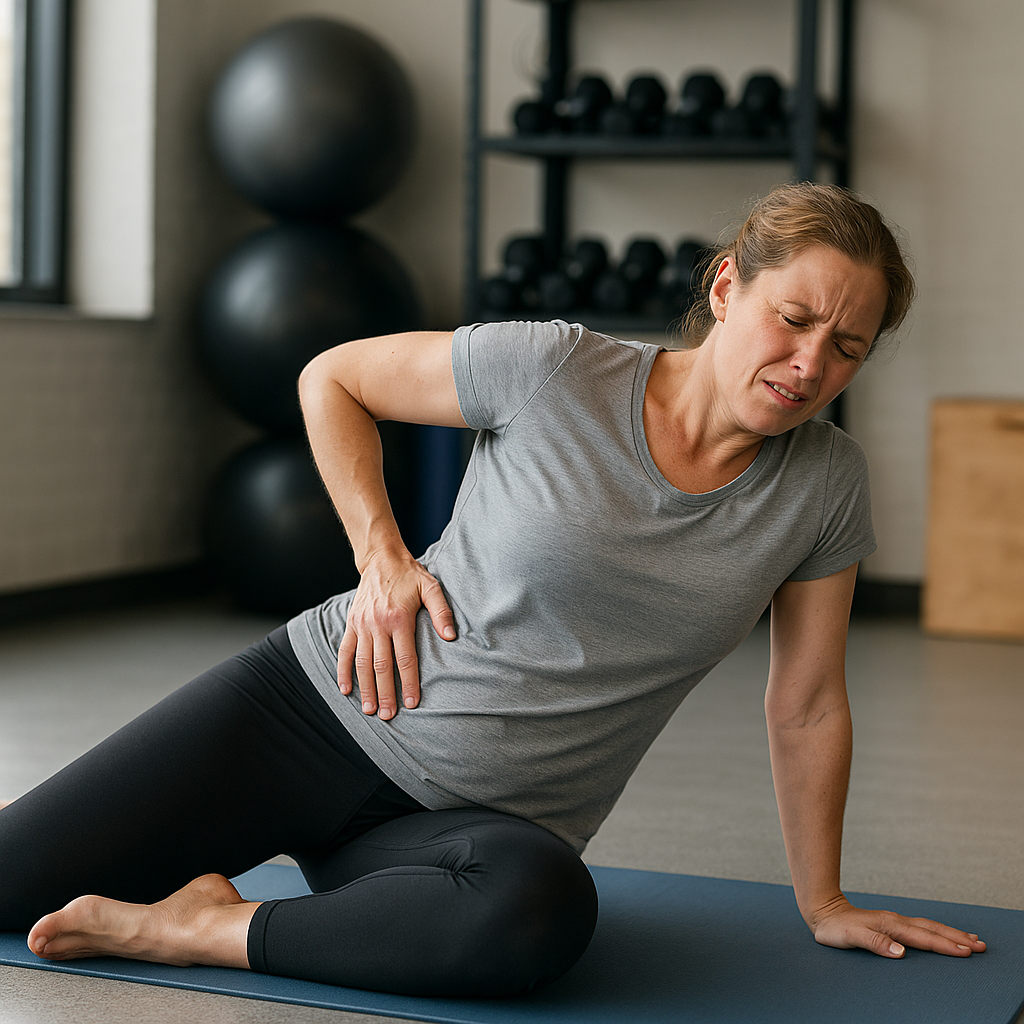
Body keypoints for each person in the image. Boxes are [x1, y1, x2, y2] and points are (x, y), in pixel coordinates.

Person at [0, 183, 986, 997]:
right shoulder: (555, 366)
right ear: (728, 286)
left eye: (847, 345)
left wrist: (822, 901)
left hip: (471, 833)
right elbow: (332, 378)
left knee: (535, 917)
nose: (811, 362)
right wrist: (381, 556)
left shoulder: (824, 484)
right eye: (794, 318)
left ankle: (203, 929)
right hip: (305, 715)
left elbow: (807, 703)